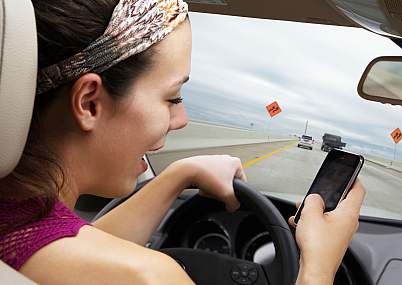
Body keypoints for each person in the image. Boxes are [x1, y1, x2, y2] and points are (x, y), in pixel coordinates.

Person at [0, 0, 365, 284]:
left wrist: (178, 175)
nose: (182, 119)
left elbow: (73, 244)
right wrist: (317, 269)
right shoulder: (148, 276)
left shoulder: (18, 219)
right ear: (89, 102)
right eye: (172, 98)